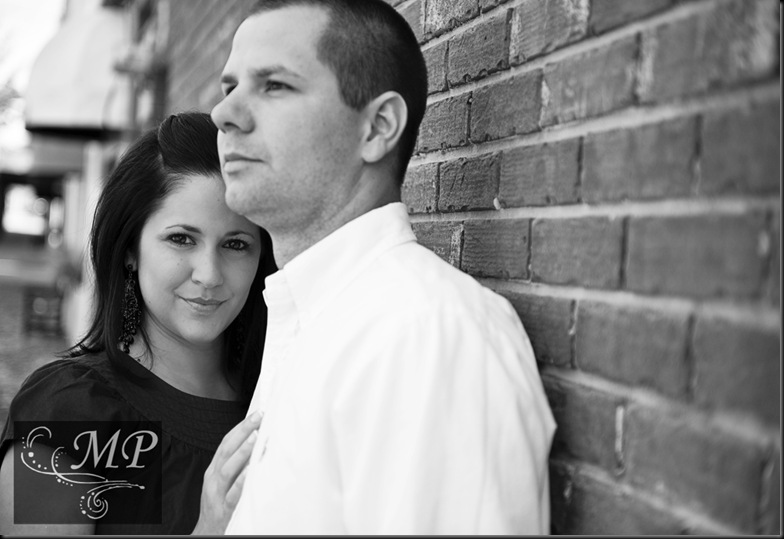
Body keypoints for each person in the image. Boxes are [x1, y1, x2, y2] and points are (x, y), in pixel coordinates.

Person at [210, 0, 556, 534]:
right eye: (230, 87)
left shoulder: (427, 336)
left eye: (274, 85)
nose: (224, 114)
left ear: (377, 127)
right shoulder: (314, 319)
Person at [0, 112, 277, 535]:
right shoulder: (67, 414)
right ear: (130, 249)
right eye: (181, 238)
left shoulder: (277, 397)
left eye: (236, 244)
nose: (209, 274)